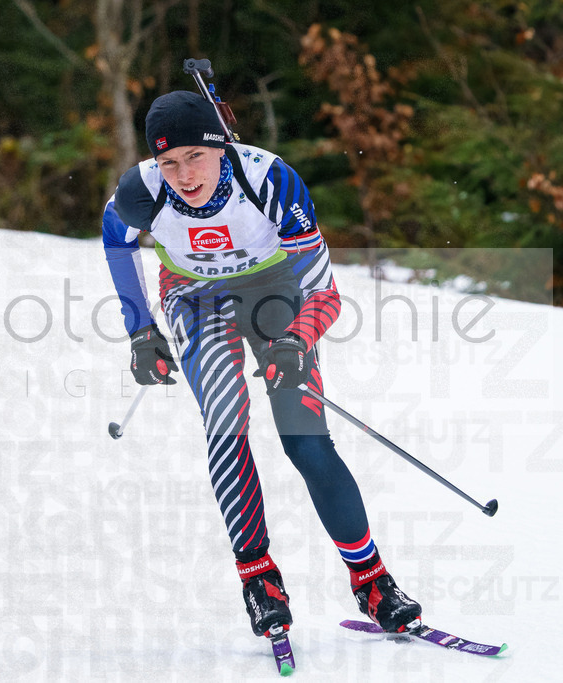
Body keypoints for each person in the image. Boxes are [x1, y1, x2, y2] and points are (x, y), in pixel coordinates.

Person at [101, 90, 422, 640]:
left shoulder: (269, 180)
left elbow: (323, 290)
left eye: (194, 156)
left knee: (305, 437)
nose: (182, 174)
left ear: (221, 146)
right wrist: (141, 331)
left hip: (277, 291)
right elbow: (116, 241)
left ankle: (371, 579)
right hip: (195, 296)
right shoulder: (139, 190)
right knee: (227, 422)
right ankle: (259, 580)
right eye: (168, 161)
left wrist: (295, 342)